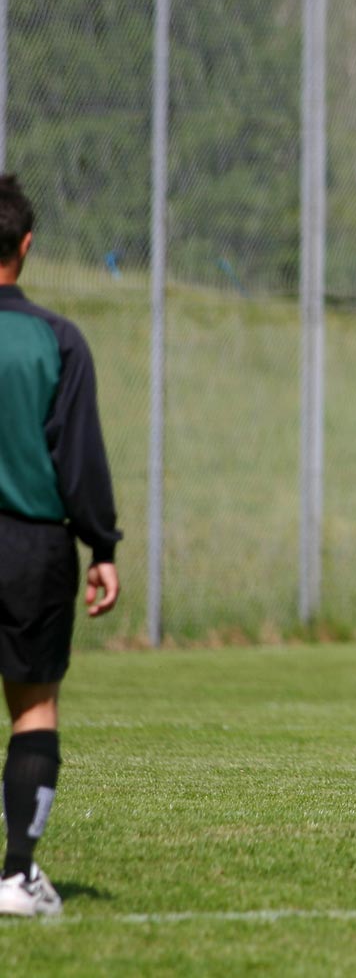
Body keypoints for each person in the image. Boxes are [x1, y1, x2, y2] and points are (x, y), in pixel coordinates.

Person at [0, 173, 122, 918]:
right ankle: (17, 877)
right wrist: (101, 544)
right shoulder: (56, 339)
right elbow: (76, 461)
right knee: (32, 705)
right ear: (28, 244)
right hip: (29, 545)